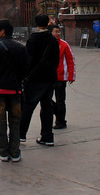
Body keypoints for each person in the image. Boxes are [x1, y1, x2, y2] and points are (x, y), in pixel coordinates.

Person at [0, 18, 28, 162]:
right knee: (15, 122)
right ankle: (15, 152)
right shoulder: (21, 48)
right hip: (15, 91)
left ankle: (3, 152)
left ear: (2, 31)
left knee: (1, 123)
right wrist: (18, 82)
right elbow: (25, 70)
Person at [19, 14, 59, 146]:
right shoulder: (53, 40)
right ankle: (47, 136)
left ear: (36, 24)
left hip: (35, 78)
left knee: (28, 106)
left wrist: (25, 75)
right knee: (47, 106)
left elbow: (28, 60)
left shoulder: (33, 39)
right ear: (48, 23)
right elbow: (56, 60)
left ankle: (21, 135)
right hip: (49, 78)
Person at [51, 24, 75, 129]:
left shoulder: (64, 44)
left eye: (58, 31)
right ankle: (59, 114)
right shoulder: (47, 44)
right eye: (55, 31)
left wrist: (71, 76)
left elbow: (70, 60)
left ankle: (60, 121)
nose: (58, 34)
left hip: (61, 77)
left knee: (60, 100)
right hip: (49, 77)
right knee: (46, 99)